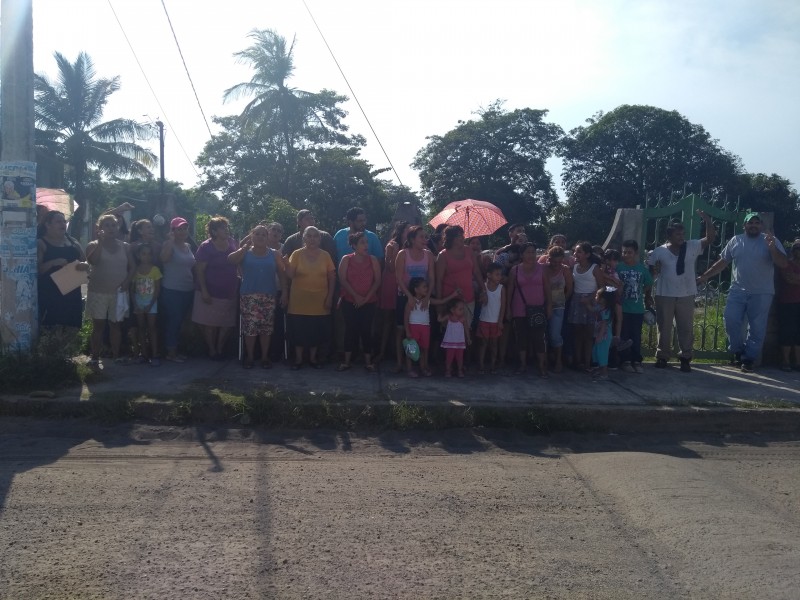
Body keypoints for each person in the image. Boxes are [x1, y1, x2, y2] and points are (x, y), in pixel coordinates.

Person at [697, 211, 787, 372]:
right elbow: (723, 262)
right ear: (744, 225)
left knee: (757, 328)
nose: (753, 225)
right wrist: (705, 276)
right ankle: (738, 350)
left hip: (762, 292)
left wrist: (772, 248)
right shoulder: (736, 240)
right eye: (750, 223)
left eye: (756, 223)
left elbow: (783, 263)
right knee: (730, 320)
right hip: (738, 291)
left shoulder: (770, 241)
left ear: (760, 225)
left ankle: (748, 359)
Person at [647, 211, 716, 372]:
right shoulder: (659, 251)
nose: (681, 237)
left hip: (686, 293)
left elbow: (710, 239)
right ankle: (662, 356)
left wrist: (707, 220)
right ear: (669, 235)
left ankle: (685, 357)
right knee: (663, 327)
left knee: (685, 327)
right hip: (664, 294)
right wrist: (647, 294)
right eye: (678, 234)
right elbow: (651, 273)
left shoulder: (691, 246)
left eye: (682, 234)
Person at [228, 224, 287, 369]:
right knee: (250, 329)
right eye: (257, 234)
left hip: (268, 296)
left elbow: (282, 274)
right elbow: (231, 260)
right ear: (252, 236)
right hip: (249, 295)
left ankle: (265, 357)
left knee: (266, 329)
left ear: (268, 238)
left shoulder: (275, 254)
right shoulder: (245, 253)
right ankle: (250, 356)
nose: (260, 237)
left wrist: (285, 293)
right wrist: (243, 247)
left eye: (263, 234)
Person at [84, 213, 135, 367]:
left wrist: (127, 282)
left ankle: (116, 355)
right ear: (100, 228)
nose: (111, 228)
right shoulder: (92, 245)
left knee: (116, 325)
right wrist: (100, 242)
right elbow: (94, 261)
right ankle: (94, 357)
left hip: (119, 293)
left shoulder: (125, 246)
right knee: (98, 325)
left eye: (113, 225)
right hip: (98, 291)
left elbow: (132, 267)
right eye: (107, 225)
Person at [286, 226, 336, 369]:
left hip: (320, 301)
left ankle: (313, 359)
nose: (312, 239)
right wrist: (284, 264)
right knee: (299, 332)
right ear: (304, 238)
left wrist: (330, 297)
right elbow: (290, 275)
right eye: (309, 236)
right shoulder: (296, 254)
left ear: (320, 239)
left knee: (316, 332)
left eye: (315, 236)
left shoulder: (325, 255)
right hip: (299, 301)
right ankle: (298, 360)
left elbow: (332, 277)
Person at [192, 216, 239, 360]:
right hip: (209, 291)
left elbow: (237, 259)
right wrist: (204, 291)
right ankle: (212, 350)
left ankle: (220, 347)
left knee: (227, 323)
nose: (226, 230)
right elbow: (199, 270)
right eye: (222, 228)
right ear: (214, 231)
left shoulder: (232, 243)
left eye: (226, 227)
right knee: (209, 324)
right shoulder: (206, 247)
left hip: (229, 291)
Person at [37, 210, 89, 330]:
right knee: (53, 332)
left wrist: (84, 265)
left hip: (73, 293)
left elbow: (85, 261)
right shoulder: (41, 243)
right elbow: (37, 271)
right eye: (58, 221)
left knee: (72, 330)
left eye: (64, 221)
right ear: (48, 225)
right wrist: (53, 262)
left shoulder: (73, 242)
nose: (63, 224)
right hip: (51, 295)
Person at [506, 242, 553, 377]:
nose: (531, 255)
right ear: (521, 254)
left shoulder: (542, 269)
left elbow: (547, 289)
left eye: (533, 252)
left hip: (538, 308)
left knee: (539, 338)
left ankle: (541, 365)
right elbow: (510, 290)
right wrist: (508, 309)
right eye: (528, 252)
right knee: (521, 337)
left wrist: (549, 306)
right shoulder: (514, 270)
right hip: (519, 307)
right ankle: (522, 364)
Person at [337, 232, 381, 372]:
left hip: (369, 301)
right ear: (354, 245)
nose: (366, 245)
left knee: (366, 330)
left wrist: (366, 298)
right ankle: (346, 361)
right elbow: (343, 280)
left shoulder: (373, 260)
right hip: (349, 300)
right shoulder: (346, 259)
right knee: (350, 329)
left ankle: (368, 362)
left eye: (366, 242)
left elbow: (377, 281)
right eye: (362, 242)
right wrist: (356, 296)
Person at [403, 277, 459, 378]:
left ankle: (423, 367)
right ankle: (409, 369)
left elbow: (441, 301)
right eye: (424, 287)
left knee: (424, 349)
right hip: (413, 327)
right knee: (411, 350)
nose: (427, 289)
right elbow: (406, 317)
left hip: (425, 328)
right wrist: (407, 331)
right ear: (416, 289)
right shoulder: (410, 302)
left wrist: (453, 295)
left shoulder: (428, 300)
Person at [159, 217, 195, 363]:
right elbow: (164, 259)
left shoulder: (188, 246)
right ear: (172, 231)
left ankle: (177, 349)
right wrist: (170, 241)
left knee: (182, 322)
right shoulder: (168, 244)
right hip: (172, 289)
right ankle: (171, 353)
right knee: (174, 320)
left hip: (188, 289)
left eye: (184, 228)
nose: (182, 231)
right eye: (179, 229)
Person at [376, 221, 410, 369]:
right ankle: (382, 352)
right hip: (391, 283)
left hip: (406, 284)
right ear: (401, 232)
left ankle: (403, 355)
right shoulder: (392, 245)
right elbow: (389, 267)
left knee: (404, 321)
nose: (409, 234)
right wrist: (393, 252)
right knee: (388, 320)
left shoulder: (412, 247)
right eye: (407, 231)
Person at [435, 226, 485, 327]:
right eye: (458, 236)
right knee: (451, 334)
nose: (462, 238)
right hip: (450, 301)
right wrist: (439, 303)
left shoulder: (469, 251)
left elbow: (476, 272)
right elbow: (439, 280)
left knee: (467, 332)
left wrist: (483, 290)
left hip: (468, 298)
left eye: (462, 235)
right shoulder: (443, 255)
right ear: (451, 238)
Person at [616, 239, 653, 374]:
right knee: (624, 336)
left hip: (637, 309)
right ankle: (625, 360)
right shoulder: (618, 267)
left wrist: (645, 293)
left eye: (629, 252)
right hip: (622, 308)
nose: (626, 255)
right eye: (624, 252)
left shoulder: (641, 269)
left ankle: (636, 360)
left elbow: (649, 282)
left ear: (635, 253)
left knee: (636, 335)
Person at [569, 242, 604, 372]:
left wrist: (589, 299)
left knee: (589, 334)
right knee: (577, 333)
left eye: (579, 252)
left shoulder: (594, 268)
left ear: (587, 254)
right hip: (577, 301)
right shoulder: (574, 267)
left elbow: (602, 287)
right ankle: (578, 362)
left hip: (591, 301)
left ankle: (588, 362)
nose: (575, 254)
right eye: (575, 252)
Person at [130, 244, 162, 366]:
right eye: (144, 253)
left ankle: (154, 354)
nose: (146, 256)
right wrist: (135, 304)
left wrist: (151, 304)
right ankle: (143, 354)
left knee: (152, 328)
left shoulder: (155, 270)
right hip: (139, 302)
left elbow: (158, 289)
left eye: (149, 254)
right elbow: (132, 290)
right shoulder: (135, 270)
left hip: (151, 302)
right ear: (138, 255)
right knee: (141, 328)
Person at [545, 245, 574, 373]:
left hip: (559, 305)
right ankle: (545, 359)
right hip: (543, 304)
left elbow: (570, 288)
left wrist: (563, 299)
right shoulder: (544, 269)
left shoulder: (565, 270)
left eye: (559, 261)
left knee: (555, 334)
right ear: (549, 259)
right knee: (544, 334)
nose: (556, 264)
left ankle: (558, 360)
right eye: (553, 261)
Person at [477, 263, 506, 374]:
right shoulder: (483, 286)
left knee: (494, 344)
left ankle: (493, 364)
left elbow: (503, 305)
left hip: (495, 321)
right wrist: (481, 298)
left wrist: (500, 321)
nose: (499, 277)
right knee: (483, 344)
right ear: (489, 275)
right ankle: (481, 364)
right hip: (483, 320)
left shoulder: (502, 288)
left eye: (500, 275)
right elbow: (480, 302)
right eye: (497, 274)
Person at [584, 287, 616, 382]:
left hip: (604, 336)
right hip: (599, 335)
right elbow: (592, 309)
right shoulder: (600, 308)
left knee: (602, 353)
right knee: (596, 352)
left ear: (604, 299)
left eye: (598, 296)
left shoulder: (606, 311)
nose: (596, 297)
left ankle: (604, 373)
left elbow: (604, 325)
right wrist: (586, 304)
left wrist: (599, 336)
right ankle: (600, 369)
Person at [777, 240, 800, 371]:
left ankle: (797, 362)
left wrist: (796, 278)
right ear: (793, 250)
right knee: (787, 332)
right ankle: (785, 361)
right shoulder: (787, 263)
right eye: (797, 248)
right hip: (788, 302)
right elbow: (788, 278)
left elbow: (793, 278)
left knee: (798, 333)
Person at [438, 297, 471, 378]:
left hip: (459, 342)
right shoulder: (449, 317)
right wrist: (440, 312)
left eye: (462, 309)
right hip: (450, 342)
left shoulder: (463, 319)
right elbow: (440, 320)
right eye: (460, 309)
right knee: (449, 357)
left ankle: (460, 370)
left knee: (460, 358)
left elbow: (466, 329)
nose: (462, 311)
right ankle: (448, 370)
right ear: (452, 310)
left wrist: (468, 338)